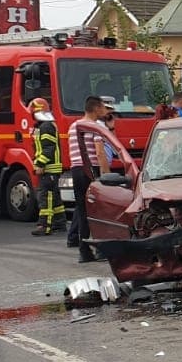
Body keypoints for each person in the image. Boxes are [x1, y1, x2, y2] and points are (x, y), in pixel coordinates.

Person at [65, 95, 118, 263]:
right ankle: (102, 249)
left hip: (76, 169)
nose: (105, 111)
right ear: (96, 109)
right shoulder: (95, 127)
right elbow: (100, 153)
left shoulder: (73, 126)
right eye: (103, 107)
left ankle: (84, 251)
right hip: (91, 170)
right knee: (99, 210)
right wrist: (106, 176)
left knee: (82, 211)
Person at [26, 98, 65, 236]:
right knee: (54, 197)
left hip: (49, 169)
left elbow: (48, 148)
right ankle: (59, 223)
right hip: (52, 169)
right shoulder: (46, 125)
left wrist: (40, 164)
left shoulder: (45, 126)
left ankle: (44, 225)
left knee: (45, 197)